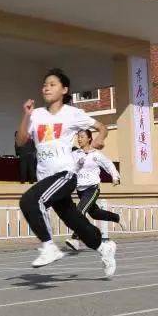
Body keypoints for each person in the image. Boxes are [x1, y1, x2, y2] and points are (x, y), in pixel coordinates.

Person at [16, 68, 117, 277]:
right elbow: (21, 141)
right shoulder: (36, 115)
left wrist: (99, 139)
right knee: (74, 220)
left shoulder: (72, 113)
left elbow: (101, 127)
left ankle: (49, 246)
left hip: (65, 175)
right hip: (46, 178)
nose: (47, 87)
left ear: (64, 89)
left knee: (29, 201)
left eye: (52, 84)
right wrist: (26, 116)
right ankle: (103, 246)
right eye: (45, 84)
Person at [65, 129, 124, 251]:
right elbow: (69, 168)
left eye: (82, 137)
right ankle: (117, 217)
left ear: (89, 139)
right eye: (78, 137)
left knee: (79, 211)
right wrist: (76, 165)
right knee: (95, 213)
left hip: (92, 188)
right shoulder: (75, 154)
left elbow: (108, 164)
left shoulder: (96, 155)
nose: (79, 139)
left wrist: (115, 177)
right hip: (80, 190)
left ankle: (75, 239)